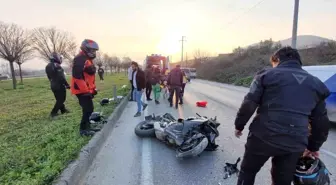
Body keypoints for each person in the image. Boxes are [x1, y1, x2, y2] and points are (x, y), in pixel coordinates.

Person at [234, 46, 330, 185]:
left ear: (277, 59)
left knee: (248, 172)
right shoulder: (316, 84)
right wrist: (313, 147)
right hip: (295, 142)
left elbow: (249, 103)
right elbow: (320, 122)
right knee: (282, 181)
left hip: (262, 137)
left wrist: (239, 125)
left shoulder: (265, 76)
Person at [70, 39, 100, 136]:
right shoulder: (80, 59)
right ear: (86, 49)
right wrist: (86, 91)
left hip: (86, 90)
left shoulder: (88, 60)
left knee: (89, 109)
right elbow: (77, 76)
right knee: (87, 109)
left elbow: (89, 77)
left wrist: (93, 89)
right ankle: (83, 130)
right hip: (81, 90)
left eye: (95, 51)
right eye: (92, 50)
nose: (94, 52)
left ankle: (88, 127)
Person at [45, 52, 70, 119]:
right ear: (56, 58)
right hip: (59, 85)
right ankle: (53, 113)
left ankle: (63, 110)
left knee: (58, 99)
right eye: (60, 58)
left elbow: (49, 77)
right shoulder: (57, 66)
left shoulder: (48, 66)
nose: (60, 59)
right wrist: (67, 85)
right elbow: (61, 77)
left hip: (53, 84)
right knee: (61, 99)